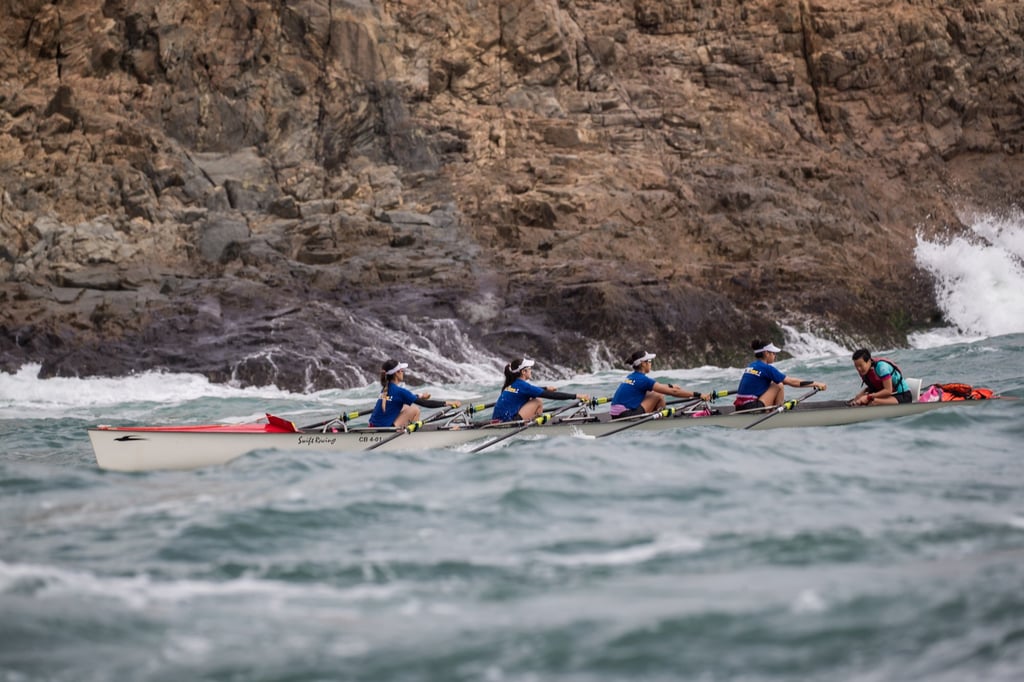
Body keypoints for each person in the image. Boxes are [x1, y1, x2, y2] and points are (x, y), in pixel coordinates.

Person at [610, 351, 712, 419]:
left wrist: (670, 386)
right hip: (625, 415)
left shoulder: (631, 377)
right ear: (643, 363)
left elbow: (657, 386)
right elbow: (673, 392)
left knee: (653, 392)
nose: (651, 363)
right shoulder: (643, 379)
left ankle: (658, 415)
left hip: (615, 414)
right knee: (659, 395)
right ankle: (662, 420)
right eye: (649, 361)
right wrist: (699, 395)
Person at [734, 340, 827, 411]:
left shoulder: (752, 366)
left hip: (739, 408)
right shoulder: (766, 368)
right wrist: (816, 384)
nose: (775, 355)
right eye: (773, 353)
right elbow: (792, 382)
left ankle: (775, 408)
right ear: (766, 353)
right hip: (752, 408)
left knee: (776, 382)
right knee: (779, 385)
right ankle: (778, 410)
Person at [368, 360, 461, 429]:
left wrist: (420, 396)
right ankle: (412, 436)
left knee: (405, 406)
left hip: (372, 426)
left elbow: (403, 398)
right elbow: (425, 404)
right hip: (384, 431)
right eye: (402, 370)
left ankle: (408, 429)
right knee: (415, 410)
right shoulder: (400, 391)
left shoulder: (386, 388)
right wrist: (448, 403)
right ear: (396, 373)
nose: (403, 372)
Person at [492, 358, 590, 422]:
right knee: (537, 401)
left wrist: (546, 388)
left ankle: (532, 422)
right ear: (523, 372)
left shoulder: (511, 384)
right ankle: (537, 427)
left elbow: (530, 391)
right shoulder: (524, 386)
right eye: (529, 369)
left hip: (497, 420)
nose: (531, 371)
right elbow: (551, 396)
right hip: (508, 422)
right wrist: (577, 396)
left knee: (531, 399)